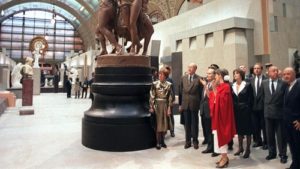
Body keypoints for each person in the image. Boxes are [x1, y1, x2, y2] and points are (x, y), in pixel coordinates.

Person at [209, 68, 236, 168]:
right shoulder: (219, 86)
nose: (214, 77)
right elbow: (213, 99)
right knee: (216, 136)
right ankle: (223, 156)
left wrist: (214, 90)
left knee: (221, 136)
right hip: (217, 116)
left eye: (215, 75)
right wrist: (213, 89)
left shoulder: (226, 86)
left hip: (223, 117)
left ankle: (224, 158)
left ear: (220, 75)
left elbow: (223, 103)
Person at [262, 66, 288, 163]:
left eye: (277, 70)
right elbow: (263, 97)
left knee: (281, 136)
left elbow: (286, 98)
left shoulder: (283, 83)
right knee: (269, 135)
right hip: (268, 113)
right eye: (273, 71)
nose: (276, 72)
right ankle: (272, 153)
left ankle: (283, 154)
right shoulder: (264, 83)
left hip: (280, 113)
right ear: (268, 72)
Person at [178, 63, 203, 149]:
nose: (189, 69)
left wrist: (200, 103)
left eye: (191, 67)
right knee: (187, 124)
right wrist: (180, 104)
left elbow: (201, 93)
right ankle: (187, 141)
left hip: (194, 104)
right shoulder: (183, 78)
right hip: (185, 104)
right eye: (188, 67)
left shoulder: (199, 78)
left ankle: (195, 141)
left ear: (195, 69)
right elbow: (180, 91)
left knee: (194, 124)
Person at [149, 68, 173, 150]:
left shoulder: (169, 84)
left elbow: (170, 97)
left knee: (164, 124)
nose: (159, 75)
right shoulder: (155, 84)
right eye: (159, 74)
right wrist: (151, 106)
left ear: (165, 76)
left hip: (165, 105)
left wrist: (169, 108)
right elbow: (152, 95)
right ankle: (158, 142)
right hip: (157, 106)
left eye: (161, 74)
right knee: (158, 124)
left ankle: (163, 141)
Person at [232, 68, 253, 158]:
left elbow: (251, 99)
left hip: (246, 111)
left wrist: (247, 107)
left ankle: (248, 149)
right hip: (236, 111)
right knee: (239, 130)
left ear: (241, 75)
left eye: (236, 73)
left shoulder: (247, 85)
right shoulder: (232, 85)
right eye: (234, 74)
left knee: (248, 130)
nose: (235, 75)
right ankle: (240, 148)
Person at [282, 67, 300, 169]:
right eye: (284, 74)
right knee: (292, 146)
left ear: (294, 74)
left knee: (298, 146)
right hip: (287, 122)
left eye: (288, 74)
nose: (286, 76)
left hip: (296, 123)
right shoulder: (287, 86)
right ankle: (295, 164)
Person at [250, 63, 268, 149]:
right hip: (254, 107)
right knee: (255, 125)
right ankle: (258, 141)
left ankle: (266, 142)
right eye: (255, 68)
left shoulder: (266, 79)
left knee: (264, 126)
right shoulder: (251, 80)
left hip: (263, 107)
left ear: (261, 69)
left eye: (258, 68)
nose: (256, 70)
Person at [199, 66, 215, 154]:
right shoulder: (207, 83)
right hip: (204, 110)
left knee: (211, 130)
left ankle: (213, 147)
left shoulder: (214, 84)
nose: (207, 75)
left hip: (210, 110)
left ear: (214, 75)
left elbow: (210, 97)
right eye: (207, 73)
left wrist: (205, 85)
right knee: (207, 130)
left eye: (209, 73)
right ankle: (209, 146)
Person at [165, 66, 175, 137]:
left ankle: (172, 131)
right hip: (162, 101)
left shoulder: (170, 80)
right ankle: (165, 130)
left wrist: (172, 100)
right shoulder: (160, 79)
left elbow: (173, 91)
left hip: (169, 101)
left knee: (170, 116)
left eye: (168, 71)